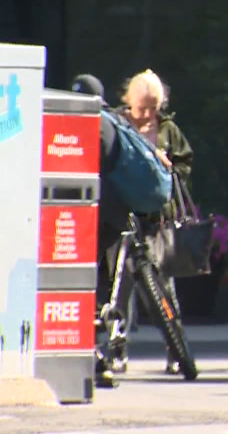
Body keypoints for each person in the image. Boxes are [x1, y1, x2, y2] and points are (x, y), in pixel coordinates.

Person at [116, 69, 194, 375]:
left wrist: (169, 168)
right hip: (124, 216)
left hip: (158, 218)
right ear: (129, 103)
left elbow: (185, 162)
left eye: (153, 108)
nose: (147, 114)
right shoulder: (118, 124)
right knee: (120, 287)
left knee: (164, 288)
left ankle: (174, 350)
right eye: (141, 108)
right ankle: (116, 348)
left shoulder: (168, 129)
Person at [70, 73, 126, 389]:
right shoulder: (111, 122)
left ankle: (94, 356)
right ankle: (100, 354)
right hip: (111, 217)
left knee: (85, 287)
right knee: (103, 286)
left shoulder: (71, 123)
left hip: (85, 217)